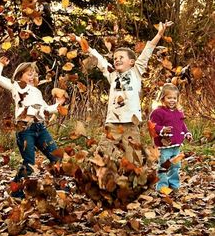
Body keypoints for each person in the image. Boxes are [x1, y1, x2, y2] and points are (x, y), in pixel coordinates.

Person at [73, 21, 173, 163]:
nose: (117, 60)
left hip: (131, 125)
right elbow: (99, 59)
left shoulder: (136, 72)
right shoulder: (111, 74)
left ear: (131, 62)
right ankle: (100, 177)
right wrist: (82, 42)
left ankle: (134, 182)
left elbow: (147, 51)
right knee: (103, 153)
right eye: (115, 58)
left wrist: (159, 34)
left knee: (134, 158)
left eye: (121, 57)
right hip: (113, 123)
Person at [0, 57, 65, 198]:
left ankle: (59, 188)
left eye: (35, 74)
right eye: (29, 74)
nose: (33, 77)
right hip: (25, 130)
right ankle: (16, 191)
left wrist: (59, 105)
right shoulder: (16, 85)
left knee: (56, 158)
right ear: (20, 76)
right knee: (29, 164)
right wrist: (0, 64)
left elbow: (47, 109)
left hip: (40, 128)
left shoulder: (37, 92)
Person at [149, 83, 192, 192]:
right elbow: (152, 126)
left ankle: (174, 184)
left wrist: (187, 133)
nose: (172, 100)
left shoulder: (178, 112)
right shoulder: (158, 112)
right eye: (169, 98)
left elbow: (182, 125)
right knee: (164, 166)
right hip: (164, 146)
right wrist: (162, 129)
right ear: (163, 98)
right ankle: (162, 186)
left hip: (176, 146)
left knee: (175, 166)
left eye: (174, 98)